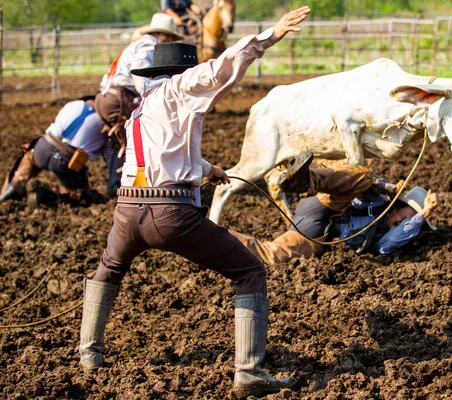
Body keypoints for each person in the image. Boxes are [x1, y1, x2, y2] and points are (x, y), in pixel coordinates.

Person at [78, 6, 311, 399]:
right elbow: (225, 65)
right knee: (250, 270)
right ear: (183, 73)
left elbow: (154, 154)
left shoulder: (140, 109)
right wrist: (272, 34)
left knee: (108, 269)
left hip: (127, 211)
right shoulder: (181, 88)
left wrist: (206, 167)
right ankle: (249, 373)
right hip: (171, 213)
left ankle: (89, 354)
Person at [230, 152, 439, 265]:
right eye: (404, 217)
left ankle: (214, 239)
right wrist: (388, 186)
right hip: (323, 204)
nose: (401, 224)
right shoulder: (378, 200)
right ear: (397, 206)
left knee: (274, 255)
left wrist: (423, 215)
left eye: (407, 224)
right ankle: (307, 180)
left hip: (318, 233)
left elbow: (394, 241)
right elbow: (361, 180)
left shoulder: (384, 239)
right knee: (362, 177)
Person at [0, 95, 122, 206]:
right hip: (66, 161)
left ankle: (11, 188)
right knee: (79, 197)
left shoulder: (73, 104)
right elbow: (111, 156)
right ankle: (46, 190)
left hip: (42, 146)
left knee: (26, 161)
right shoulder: (105, 123)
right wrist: (113, 188)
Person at [95, 13, 183, 159]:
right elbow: (141, 82)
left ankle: (115, 181)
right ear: (159, 33)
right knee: (136, 148)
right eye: (169, 36)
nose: (170, 41)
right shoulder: (148, 46)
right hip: (120, 100)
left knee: (121, 147)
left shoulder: (138, 44)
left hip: (106, 97)